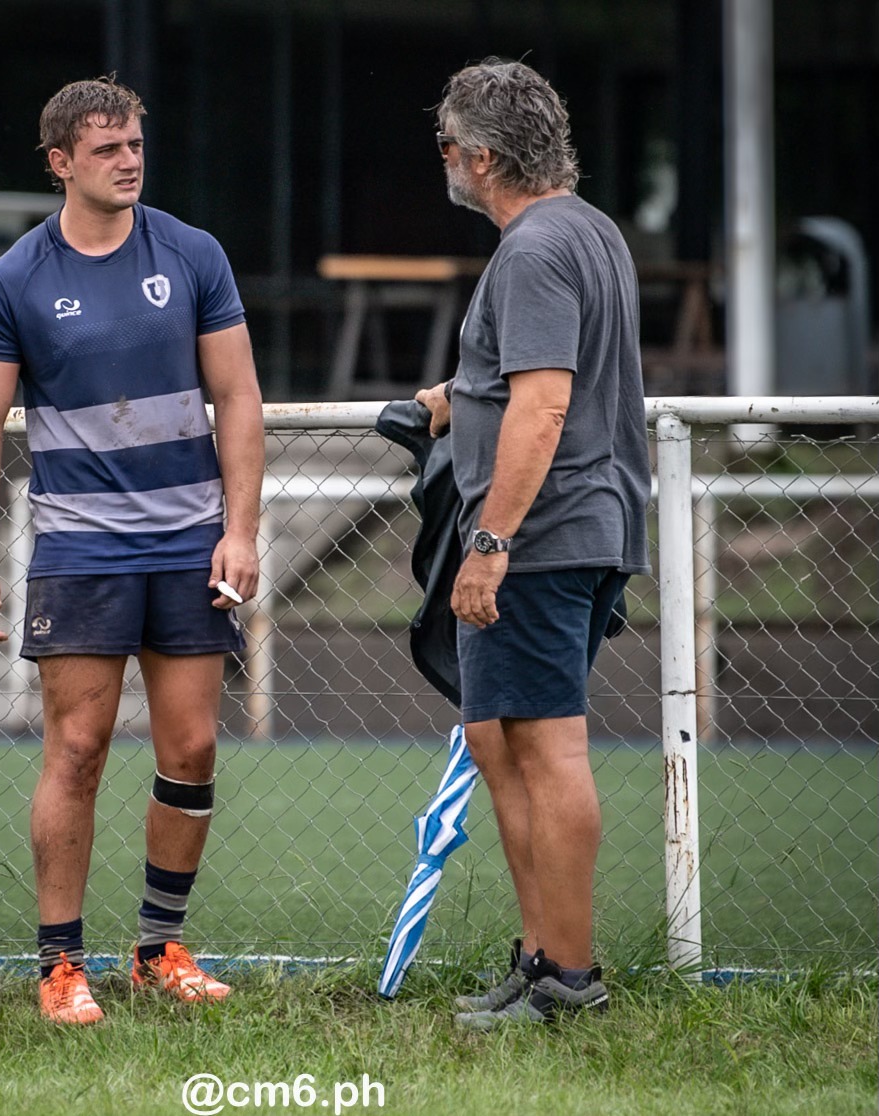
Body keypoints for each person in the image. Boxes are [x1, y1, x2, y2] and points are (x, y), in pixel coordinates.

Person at [0, 77, 264, 1025]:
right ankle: (60, 966)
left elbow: (239, 399)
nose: (128, 160)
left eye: (135, 143)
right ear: (59, 163)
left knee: (195, 748)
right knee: (77, 750)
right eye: (105, 149)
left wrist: (240, 529)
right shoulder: (13, 281)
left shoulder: (193, 253)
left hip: (187, 546)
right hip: (80, 551)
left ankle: (158, 948)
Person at [414, 58, 651, 1030]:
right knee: (496, 737)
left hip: (544, 536)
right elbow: (529, 382)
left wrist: (490, 540)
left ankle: (570, 980)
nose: (443, 163)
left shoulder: (535, 249)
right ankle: (540, 956)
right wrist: (454, 399)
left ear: (478, 156)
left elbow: (547, 403)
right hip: (571, 526)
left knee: (547, 748)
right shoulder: (584, 230)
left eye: (445, 147)